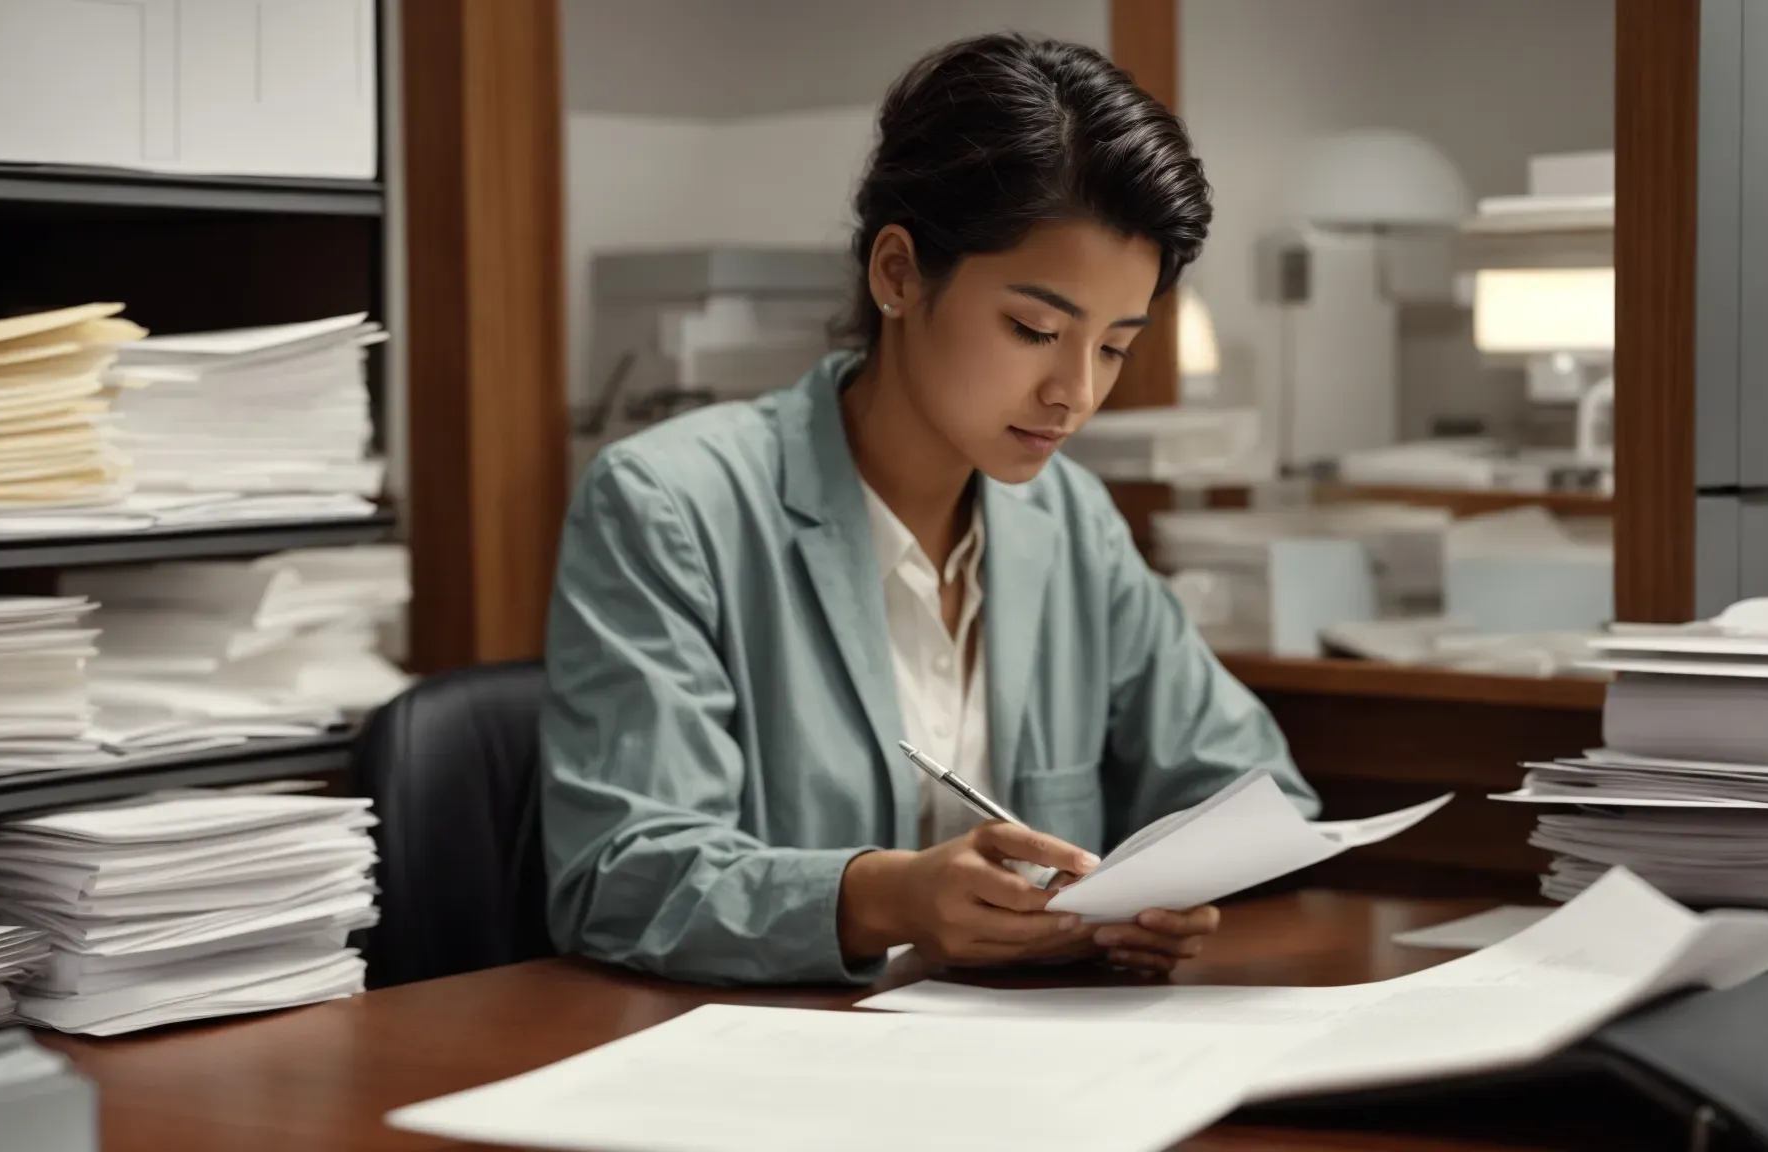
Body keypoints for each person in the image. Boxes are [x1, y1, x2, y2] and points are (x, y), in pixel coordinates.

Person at [538, 32, 1318, 986]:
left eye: (1114, 346)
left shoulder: (1070, 520)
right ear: (899, 274)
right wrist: (888, 898)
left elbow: (1257, 791)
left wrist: (1163, 889)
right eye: (1035, 329)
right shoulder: (668, 507)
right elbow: (618, 875)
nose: (1074, 390)